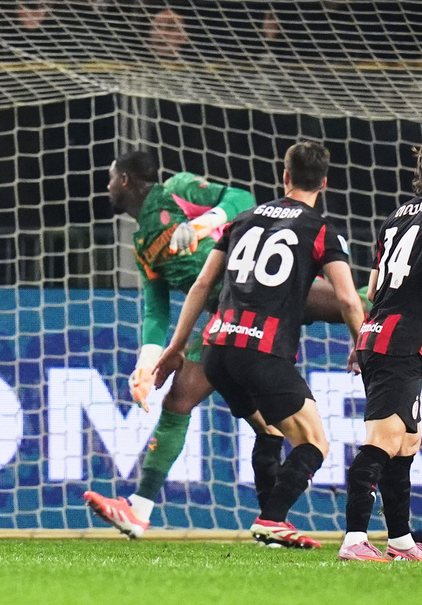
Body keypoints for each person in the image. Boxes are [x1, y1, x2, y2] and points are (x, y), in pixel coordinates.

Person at [83, 148, 362, 545]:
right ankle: (140, 511)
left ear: (124, 180)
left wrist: (199, 225)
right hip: (231, 318)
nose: (107, 186)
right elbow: (156, 311)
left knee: (358, 299)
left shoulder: (178, 189)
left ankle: (399, 307)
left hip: (256, 303)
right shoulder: (145, 244)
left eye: (110, 178)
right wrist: (149, 363)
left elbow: (240, 200)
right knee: (180, 401)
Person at [338, 146, 422, 562]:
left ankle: (401, 540)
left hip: (381, 334)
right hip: (401, 343)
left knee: (407, 441)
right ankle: (354, 539)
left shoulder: (398, 216)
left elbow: (372, 291)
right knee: (383, 441)